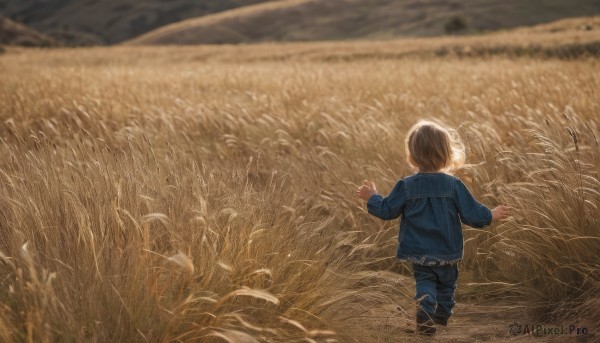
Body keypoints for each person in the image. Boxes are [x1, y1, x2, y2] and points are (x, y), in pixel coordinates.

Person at [356, 119, 509, 336]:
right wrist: (490, 215)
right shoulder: (454, 185)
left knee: (425, 282)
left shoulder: (406, 186)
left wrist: (372, 198)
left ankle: (426, 309)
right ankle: (441, 314)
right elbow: (471, 212)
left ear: (413, 154)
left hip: (419, 252)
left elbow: (387, 210)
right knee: (447, 286)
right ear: (447, 153)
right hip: (447, 250)